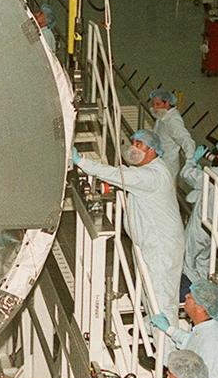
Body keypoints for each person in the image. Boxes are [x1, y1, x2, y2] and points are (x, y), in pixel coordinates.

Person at [73, 130, 184, 320]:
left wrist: (81, 161)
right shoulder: (150, 172)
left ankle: (166, 346)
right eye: (133, 142)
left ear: (152, 150)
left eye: (139, 144)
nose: (133, 148)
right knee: (150, 297)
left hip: (160, 248)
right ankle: (156, 340)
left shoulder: (152, 175)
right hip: (151, 244)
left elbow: (119, 175)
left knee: (161, 302)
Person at [179, 139, 218, 287]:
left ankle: (191, 294)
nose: (217, 157)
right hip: (215, 223)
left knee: (188, 260)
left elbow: (187, 174)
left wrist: (192, 160)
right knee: (204, 261)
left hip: (201, 223)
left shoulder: (216, 175)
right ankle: (205, 291)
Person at [151, 281, 218, 378]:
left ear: (200, 308)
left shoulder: (214, 344)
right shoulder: (208, 327)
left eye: (190, 297)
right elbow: (191, 340)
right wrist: (169, 329)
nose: (186, 296)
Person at [150, 89, 196, 179]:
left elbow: (185, 139)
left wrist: (191, 159)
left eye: (158, 104)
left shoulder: (173, 120)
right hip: (159, 163)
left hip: (167, 166)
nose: (154, 108)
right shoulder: (162, 116)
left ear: (167, 103)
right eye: (153, 104)